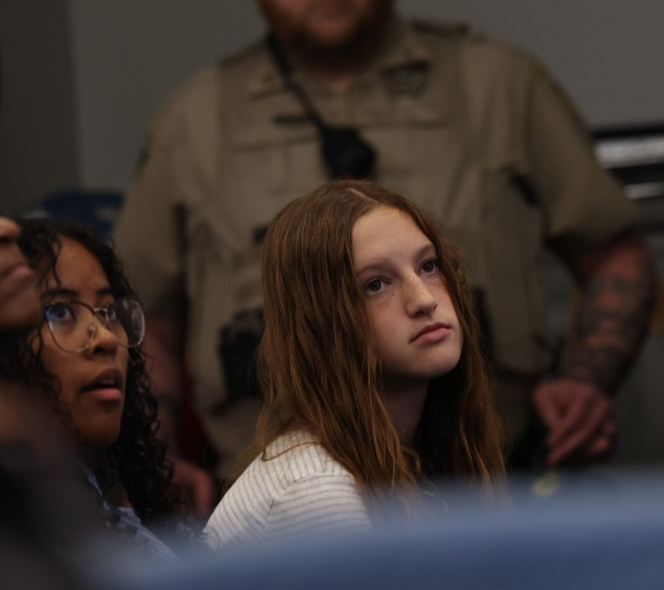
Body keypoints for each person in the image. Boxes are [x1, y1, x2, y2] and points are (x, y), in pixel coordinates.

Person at [113, 0, 656, 481]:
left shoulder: (497, 83)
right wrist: (156, 466)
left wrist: (587, 384)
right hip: (278, 498)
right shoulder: (194, 119)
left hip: (492, 480)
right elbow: (145, 320)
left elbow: (616, 254)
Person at [203, 181, 504, 548]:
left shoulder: (421, 452)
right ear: (322, 323)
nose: (424, 300)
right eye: (376, 284)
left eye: (428, 265)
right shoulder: (315, 493)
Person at [0, 218, 193, 562]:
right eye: (59, 311)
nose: (107, 338)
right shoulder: (9, 537)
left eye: (109, 311)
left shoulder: (121, 506)